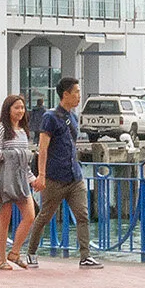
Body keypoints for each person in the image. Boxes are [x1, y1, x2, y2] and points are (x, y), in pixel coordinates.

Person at [25, 77, 99, 270]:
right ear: (65, 94)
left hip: (74, 176)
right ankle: (31, 252)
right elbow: (43, 148)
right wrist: (41, 175)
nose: (78, 96)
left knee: (82, 215)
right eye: (76, 92)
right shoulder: (50, 117)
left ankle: (85, 256)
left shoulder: (73, 117)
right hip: (55, 178)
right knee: (45, 216)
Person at [0, 94, 38, 271]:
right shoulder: (0, 129)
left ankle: (15, 252)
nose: (20, 111)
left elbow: (26, 164)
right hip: (4, 179)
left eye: (22, 107)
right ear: (8, 109)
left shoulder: (24, 132)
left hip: (21, 179)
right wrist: (14, 155)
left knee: (30, 215)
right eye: (17, 107)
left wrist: (32, 179)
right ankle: (2, 259)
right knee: (4, 220)